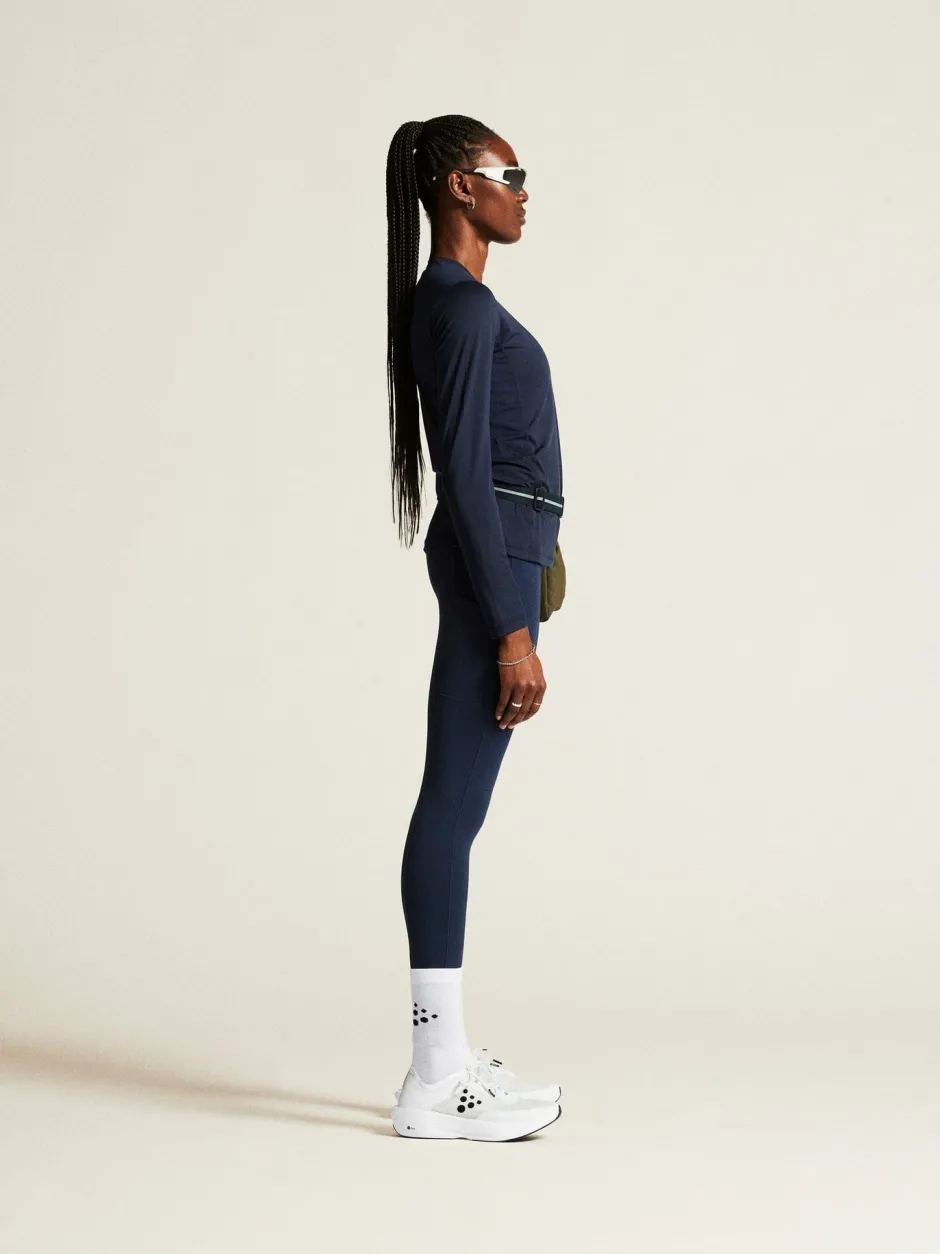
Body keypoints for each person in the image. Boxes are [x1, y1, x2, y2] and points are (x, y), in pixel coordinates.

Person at [384, 114, 565, 1141]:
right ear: (462, 185)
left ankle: (445, 1056)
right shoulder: (455, 303)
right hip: (491, 567)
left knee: (460, 804)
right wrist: (510, 630)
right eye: (511, 173)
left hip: (508, 560)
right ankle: (433, 1075)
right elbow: (462, 473)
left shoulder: (462, 302)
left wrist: (534, 576)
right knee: (450, 806)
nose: (524, 191)